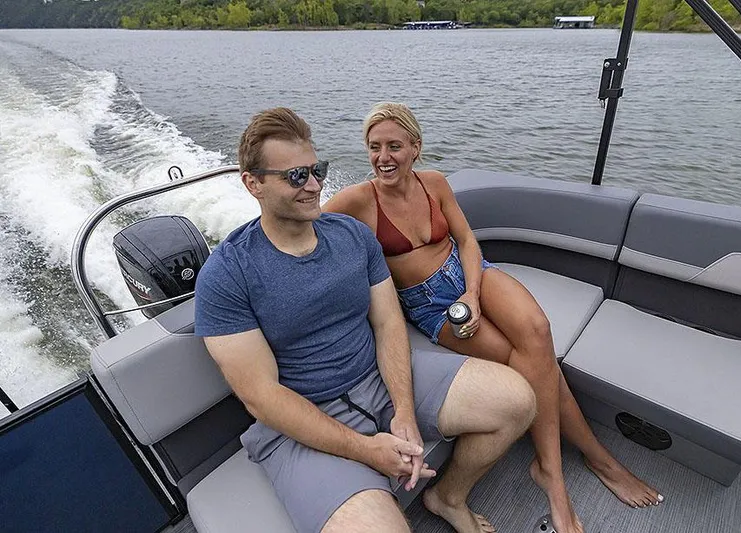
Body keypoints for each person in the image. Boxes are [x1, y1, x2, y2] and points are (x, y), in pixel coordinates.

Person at [324, 102, 665, 533]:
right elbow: (309, 226)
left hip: (469, 276)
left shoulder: (435, 184)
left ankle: (559, 469)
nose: (383, 157)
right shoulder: (358, 199)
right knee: (523, 362)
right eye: (374, 147)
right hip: (429, 303)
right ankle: (578, 469)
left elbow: (466, 240)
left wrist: (473, 291)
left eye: (394, 145)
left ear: (415, 147)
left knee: (538, 333)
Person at [194, 107, 538, 533]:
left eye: (315, 170)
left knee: (517, 401)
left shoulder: (352, 236)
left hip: (380, 377)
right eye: (296, 177)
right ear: (254, 183)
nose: (315, 186)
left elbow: (389, 324)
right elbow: (261, 396)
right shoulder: (227, 275)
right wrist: (366, 450)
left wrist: (405, 410)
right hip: (305, 416)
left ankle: (448, 496)